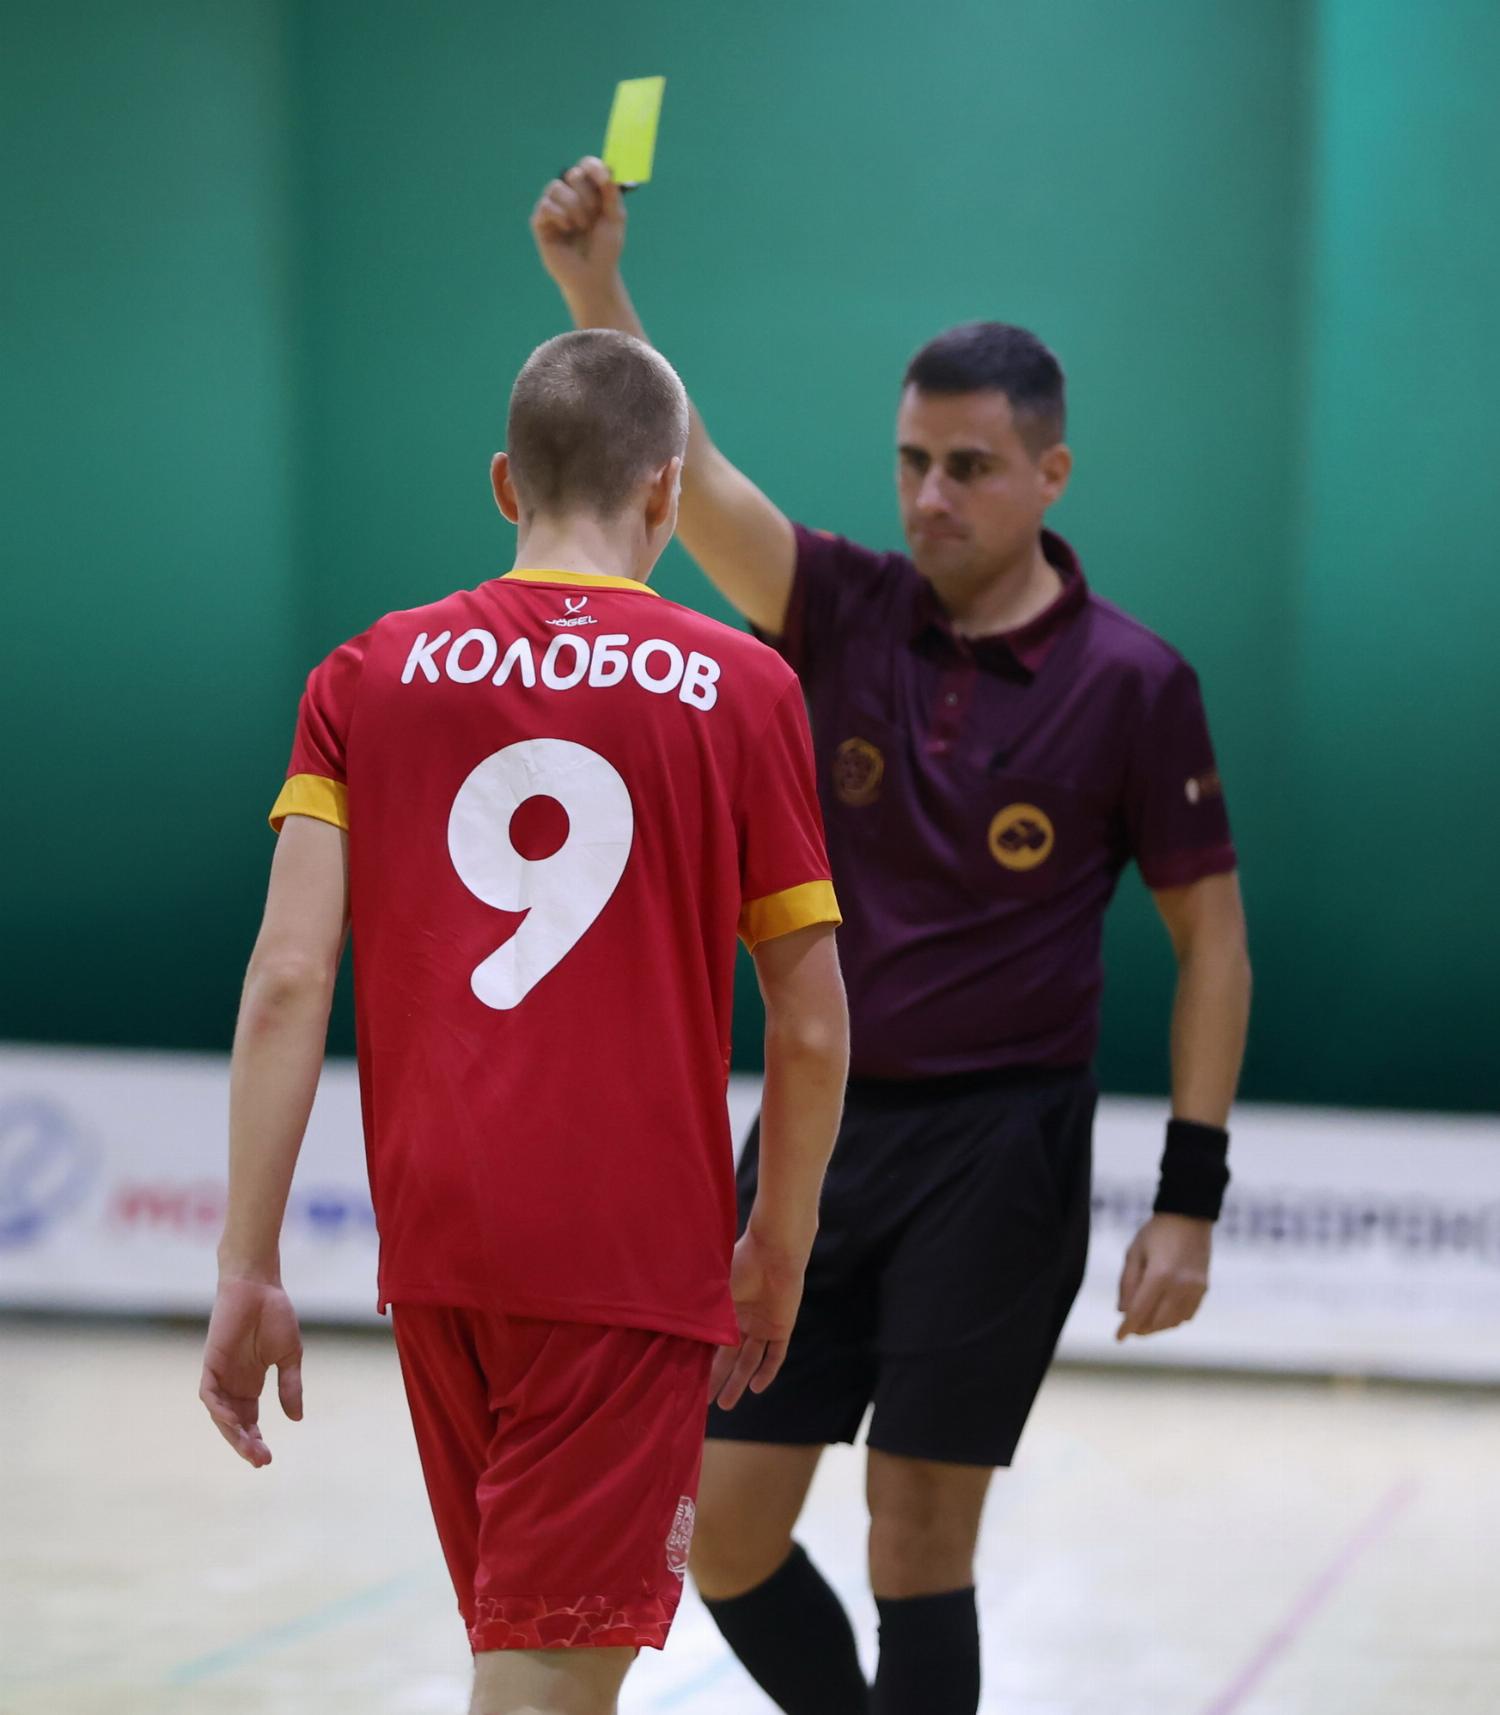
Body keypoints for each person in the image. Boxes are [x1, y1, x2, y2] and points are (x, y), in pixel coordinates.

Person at [530, 161, 1253, 1715]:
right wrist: (594, 290)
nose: (931, 496)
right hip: (822, 1136)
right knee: (720, 1535)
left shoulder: (1136, 684)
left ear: (1052, 473)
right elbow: (692, 477)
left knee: (916, 1537)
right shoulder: (841, 608)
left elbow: (1215, 946)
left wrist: (1188, 1199)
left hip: (1004, 1150)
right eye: (914, 461)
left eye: (970, 468)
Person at [197, 328, 850, 1715]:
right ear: (667, 492)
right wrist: (779, 1243)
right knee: (545, 1682)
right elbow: (809, 1024)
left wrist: (247, 1260)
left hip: (439, 1243)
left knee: (523, 1650)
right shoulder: (746, 689)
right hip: (628, 1255)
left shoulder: (364, 675)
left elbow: (287, 977)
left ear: (506, 482)